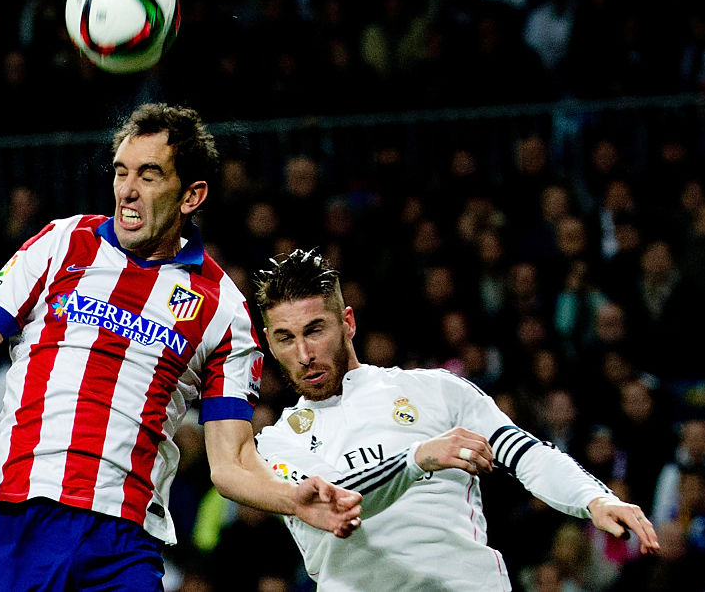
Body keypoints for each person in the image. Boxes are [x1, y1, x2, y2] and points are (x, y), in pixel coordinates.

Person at [0, 104, 362, 591]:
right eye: (122, 172)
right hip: (21, 515)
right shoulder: (62, 242)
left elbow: (231, 462)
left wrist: (290, 498)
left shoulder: (222, 309)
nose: (127, 189)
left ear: (192, 195)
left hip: (125, 543)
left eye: (149, 175)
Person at [253, 248, 660, 591]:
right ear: (270, 343)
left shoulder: (437, 390)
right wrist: (418, 458)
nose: (304, 354)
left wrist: (594, 499)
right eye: (287, 338)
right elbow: (333, 503)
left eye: (315, 330)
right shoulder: (275, 443)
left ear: (348, 323)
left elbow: (526, 453)